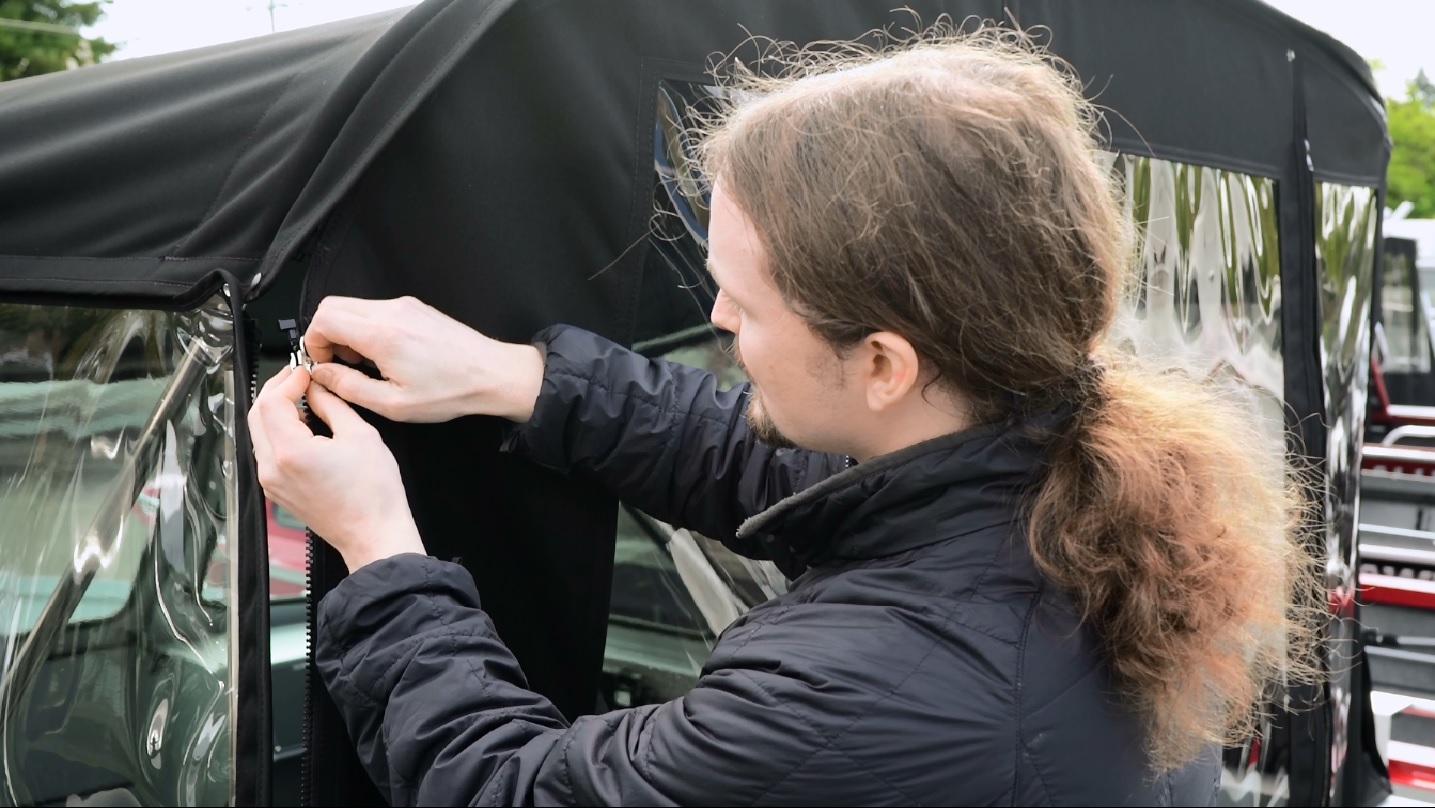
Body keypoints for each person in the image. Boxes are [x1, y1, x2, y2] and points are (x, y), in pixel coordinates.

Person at [248, 27, 1316, 807]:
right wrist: (512, 377)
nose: (715, 320)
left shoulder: (861, 694)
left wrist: (377, 548)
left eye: (744, 305)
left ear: (884, 363)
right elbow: (764, 466)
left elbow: (510, 789)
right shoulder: (1045, 482)